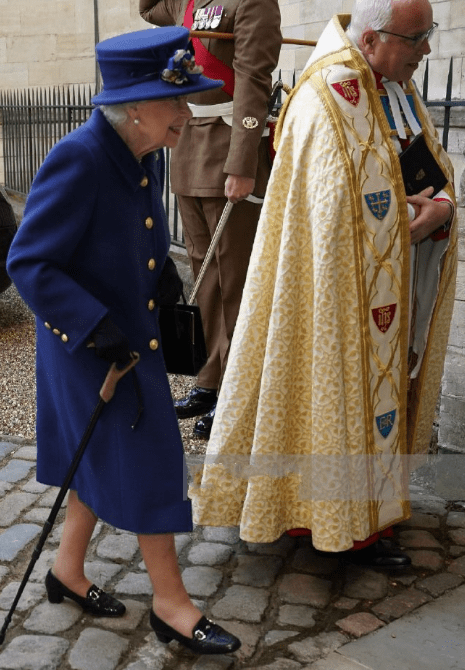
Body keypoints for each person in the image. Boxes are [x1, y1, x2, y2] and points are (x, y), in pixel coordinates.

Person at [189, 0, 457, 568]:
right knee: (328, 390)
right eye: (417, 39)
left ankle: (363, 515)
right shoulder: (327, 96)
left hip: (385, 286)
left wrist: (441, 206)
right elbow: (332, 215)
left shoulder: (395, 84)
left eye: (428, 35)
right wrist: (413, 220)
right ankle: (337, 521)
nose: (426, 50)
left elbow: (420, 170)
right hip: (330, 297)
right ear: (373, 39)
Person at [7, 27, 241, 655]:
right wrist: (93, 327)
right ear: (136, 104)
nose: (188, 117)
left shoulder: (146, 148)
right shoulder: (80, 157)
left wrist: (163, 279)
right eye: (178, 103)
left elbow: (136, 233)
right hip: (89, 348)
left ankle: (67, 572)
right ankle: (172, 604)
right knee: (152, 459)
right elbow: (29, 262)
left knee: (94, 458)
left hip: (130, 338)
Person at [139, 0, 282, 439]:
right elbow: (149, 10)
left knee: (235, 281)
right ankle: (210, 377)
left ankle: (239, 393)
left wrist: (242, 163)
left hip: (228, 149)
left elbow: (254, 78)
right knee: (204, 274)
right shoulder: (186, 2)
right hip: (190, 151)